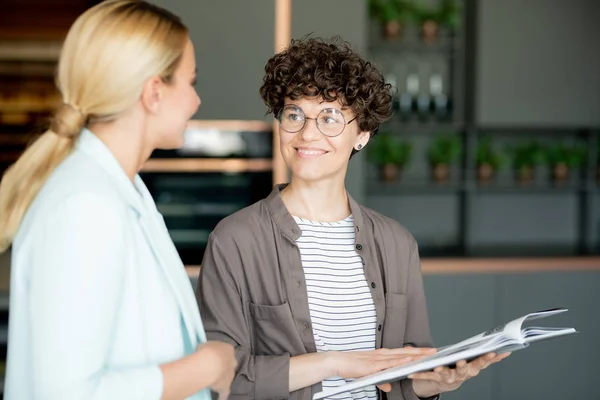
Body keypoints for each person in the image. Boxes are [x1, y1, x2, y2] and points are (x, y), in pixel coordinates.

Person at [196, 37, 509, 400]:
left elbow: (403, 377)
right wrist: (332, 363)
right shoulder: (235, 239)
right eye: (294, 114)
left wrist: (436, 382)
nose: (307, 133)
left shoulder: (397, 243)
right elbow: (220, 379)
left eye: (329, 117)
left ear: (362, 134)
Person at [0, 1, 237, 399]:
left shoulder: (120, 191)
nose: (196, 101)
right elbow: (65, 393)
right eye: (190, 81)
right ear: (154, 92)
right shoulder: (84, 206)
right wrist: (205, 367)